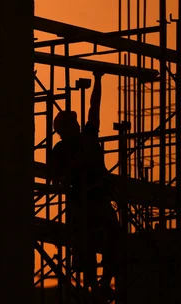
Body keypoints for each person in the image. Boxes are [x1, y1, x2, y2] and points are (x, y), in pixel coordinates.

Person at [47, 72, 120, 302]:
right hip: (81, 203)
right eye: (72, 122)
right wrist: (72, 169)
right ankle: (92, 286)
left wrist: (98, 81)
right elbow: (56, 179)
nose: (78, 124)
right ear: (63, 129)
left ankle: (104, 284)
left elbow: (94, 108)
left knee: (114, 243)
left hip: (99, 199)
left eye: (76, 121)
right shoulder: (60, 150)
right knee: (85, 246)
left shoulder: (88, 137)